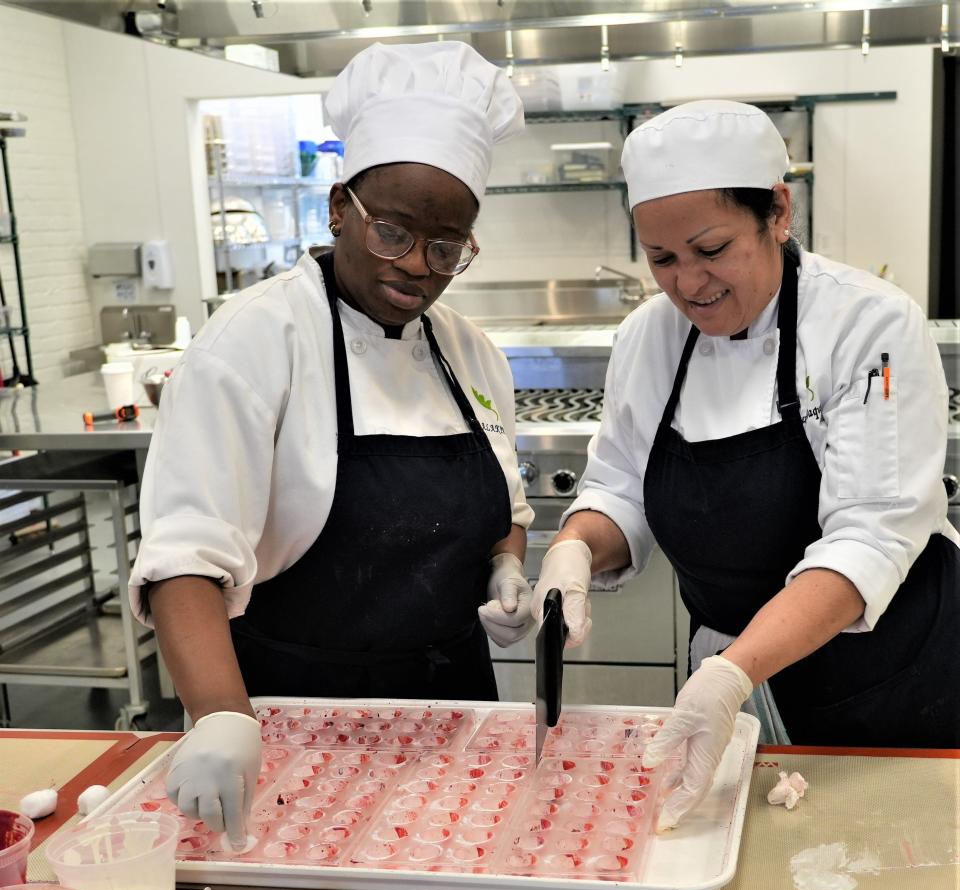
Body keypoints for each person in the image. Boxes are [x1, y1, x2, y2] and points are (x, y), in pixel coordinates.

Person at [129, 41, 537, 846]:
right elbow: (184, 559)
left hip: (456, 713)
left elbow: (504, 510)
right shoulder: (255, 340)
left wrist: (508, 563)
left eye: (447, 246)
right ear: (338, 205)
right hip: (290, 721)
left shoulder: (472, 350)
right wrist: (218, 716)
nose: (417, 267)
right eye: (394, 230)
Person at [531, 99, 960, 831]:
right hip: (740, 682)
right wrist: (573, 548)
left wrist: (734, 670)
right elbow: (619, 487)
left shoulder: (868, 324)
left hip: (890, 673)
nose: (688, 283)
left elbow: (869, 537)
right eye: (661, 259)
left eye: (711, 248)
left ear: (779, 213)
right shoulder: (647, 337)